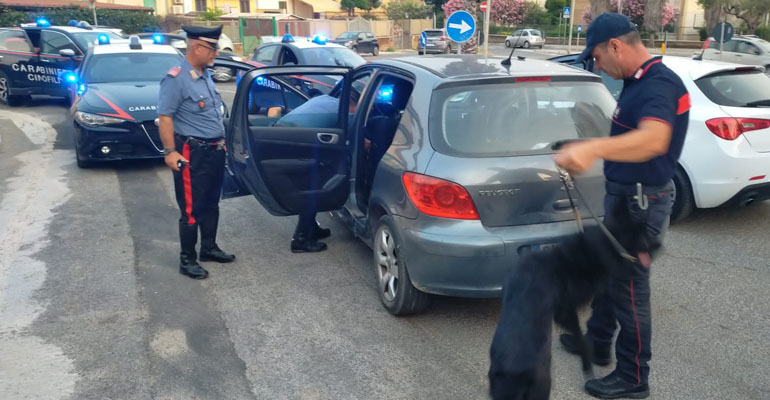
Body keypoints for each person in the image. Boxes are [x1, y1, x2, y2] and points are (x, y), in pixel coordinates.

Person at [554, 13, 690, 399]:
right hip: (627, 196)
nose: (597, 65)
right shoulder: (636, 82)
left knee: (630, 289)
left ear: (616, 45)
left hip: (641, 203)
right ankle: (598, 341)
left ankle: (633, 377)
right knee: (609, 271)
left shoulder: (658, 85)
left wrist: (592, 149)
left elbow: (654, 140)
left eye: (596, 56)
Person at [158, 25, 235, 279]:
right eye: (212, 49)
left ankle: (209, 248)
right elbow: (165, 117)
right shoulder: (176, 78)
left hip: (214, 151)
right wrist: (170, 152)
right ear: (197, 47)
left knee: (212, 202)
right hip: (192, 153)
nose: (215, 53)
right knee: (191, 208)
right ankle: (187, 259)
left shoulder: (204, 74)